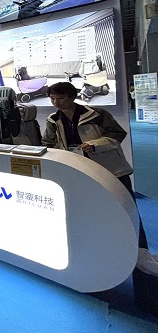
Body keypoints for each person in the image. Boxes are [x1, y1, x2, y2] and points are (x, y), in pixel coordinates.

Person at [41, 82, 148, 249]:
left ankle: (140, 251)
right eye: (52, 99)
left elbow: (118, 134)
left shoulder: (97, 114)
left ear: (72, 97)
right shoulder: (53, 119)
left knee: (127, 210)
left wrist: (94, 145)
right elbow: (47, 143)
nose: (56, 102)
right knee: (93, 211)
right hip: (79, 170)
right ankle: (105, 249)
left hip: (112, 170)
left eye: (60, 98)